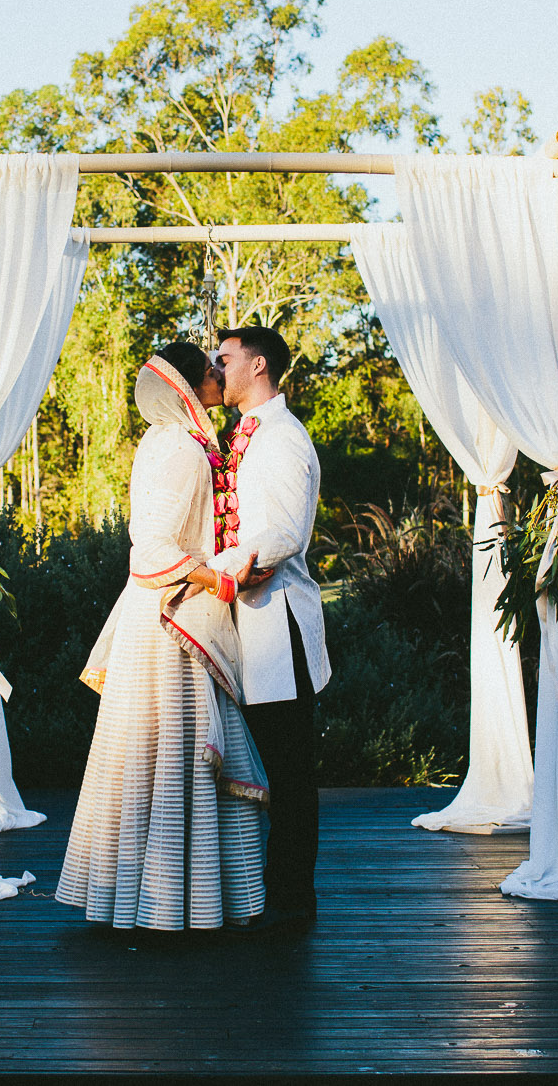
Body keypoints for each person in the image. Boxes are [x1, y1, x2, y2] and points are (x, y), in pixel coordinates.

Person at [55, 343, 269, 931]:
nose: (218, 377)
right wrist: (220, 580)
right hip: (168, 624)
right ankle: (173, 905)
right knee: (171, 757)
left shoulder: (174, 440)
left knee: (157, 763)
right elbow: (150, 549)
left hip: (166, 617)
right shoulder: (178, 446)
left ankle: (159, 901)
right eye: (209, 372)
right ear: (181, 386)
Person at [209, 324, 327, 925]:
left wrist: (210, 569)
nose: (216, 367)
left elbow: (281, 534)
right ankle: (270, 893)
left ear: (258, 366)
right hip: (251, 629)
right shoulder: (247, 436)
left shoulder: (280, 438)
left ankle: (290, 904)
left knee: (287, 773)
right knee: (268, 770)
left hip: (279, 631)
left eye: (223, 358)